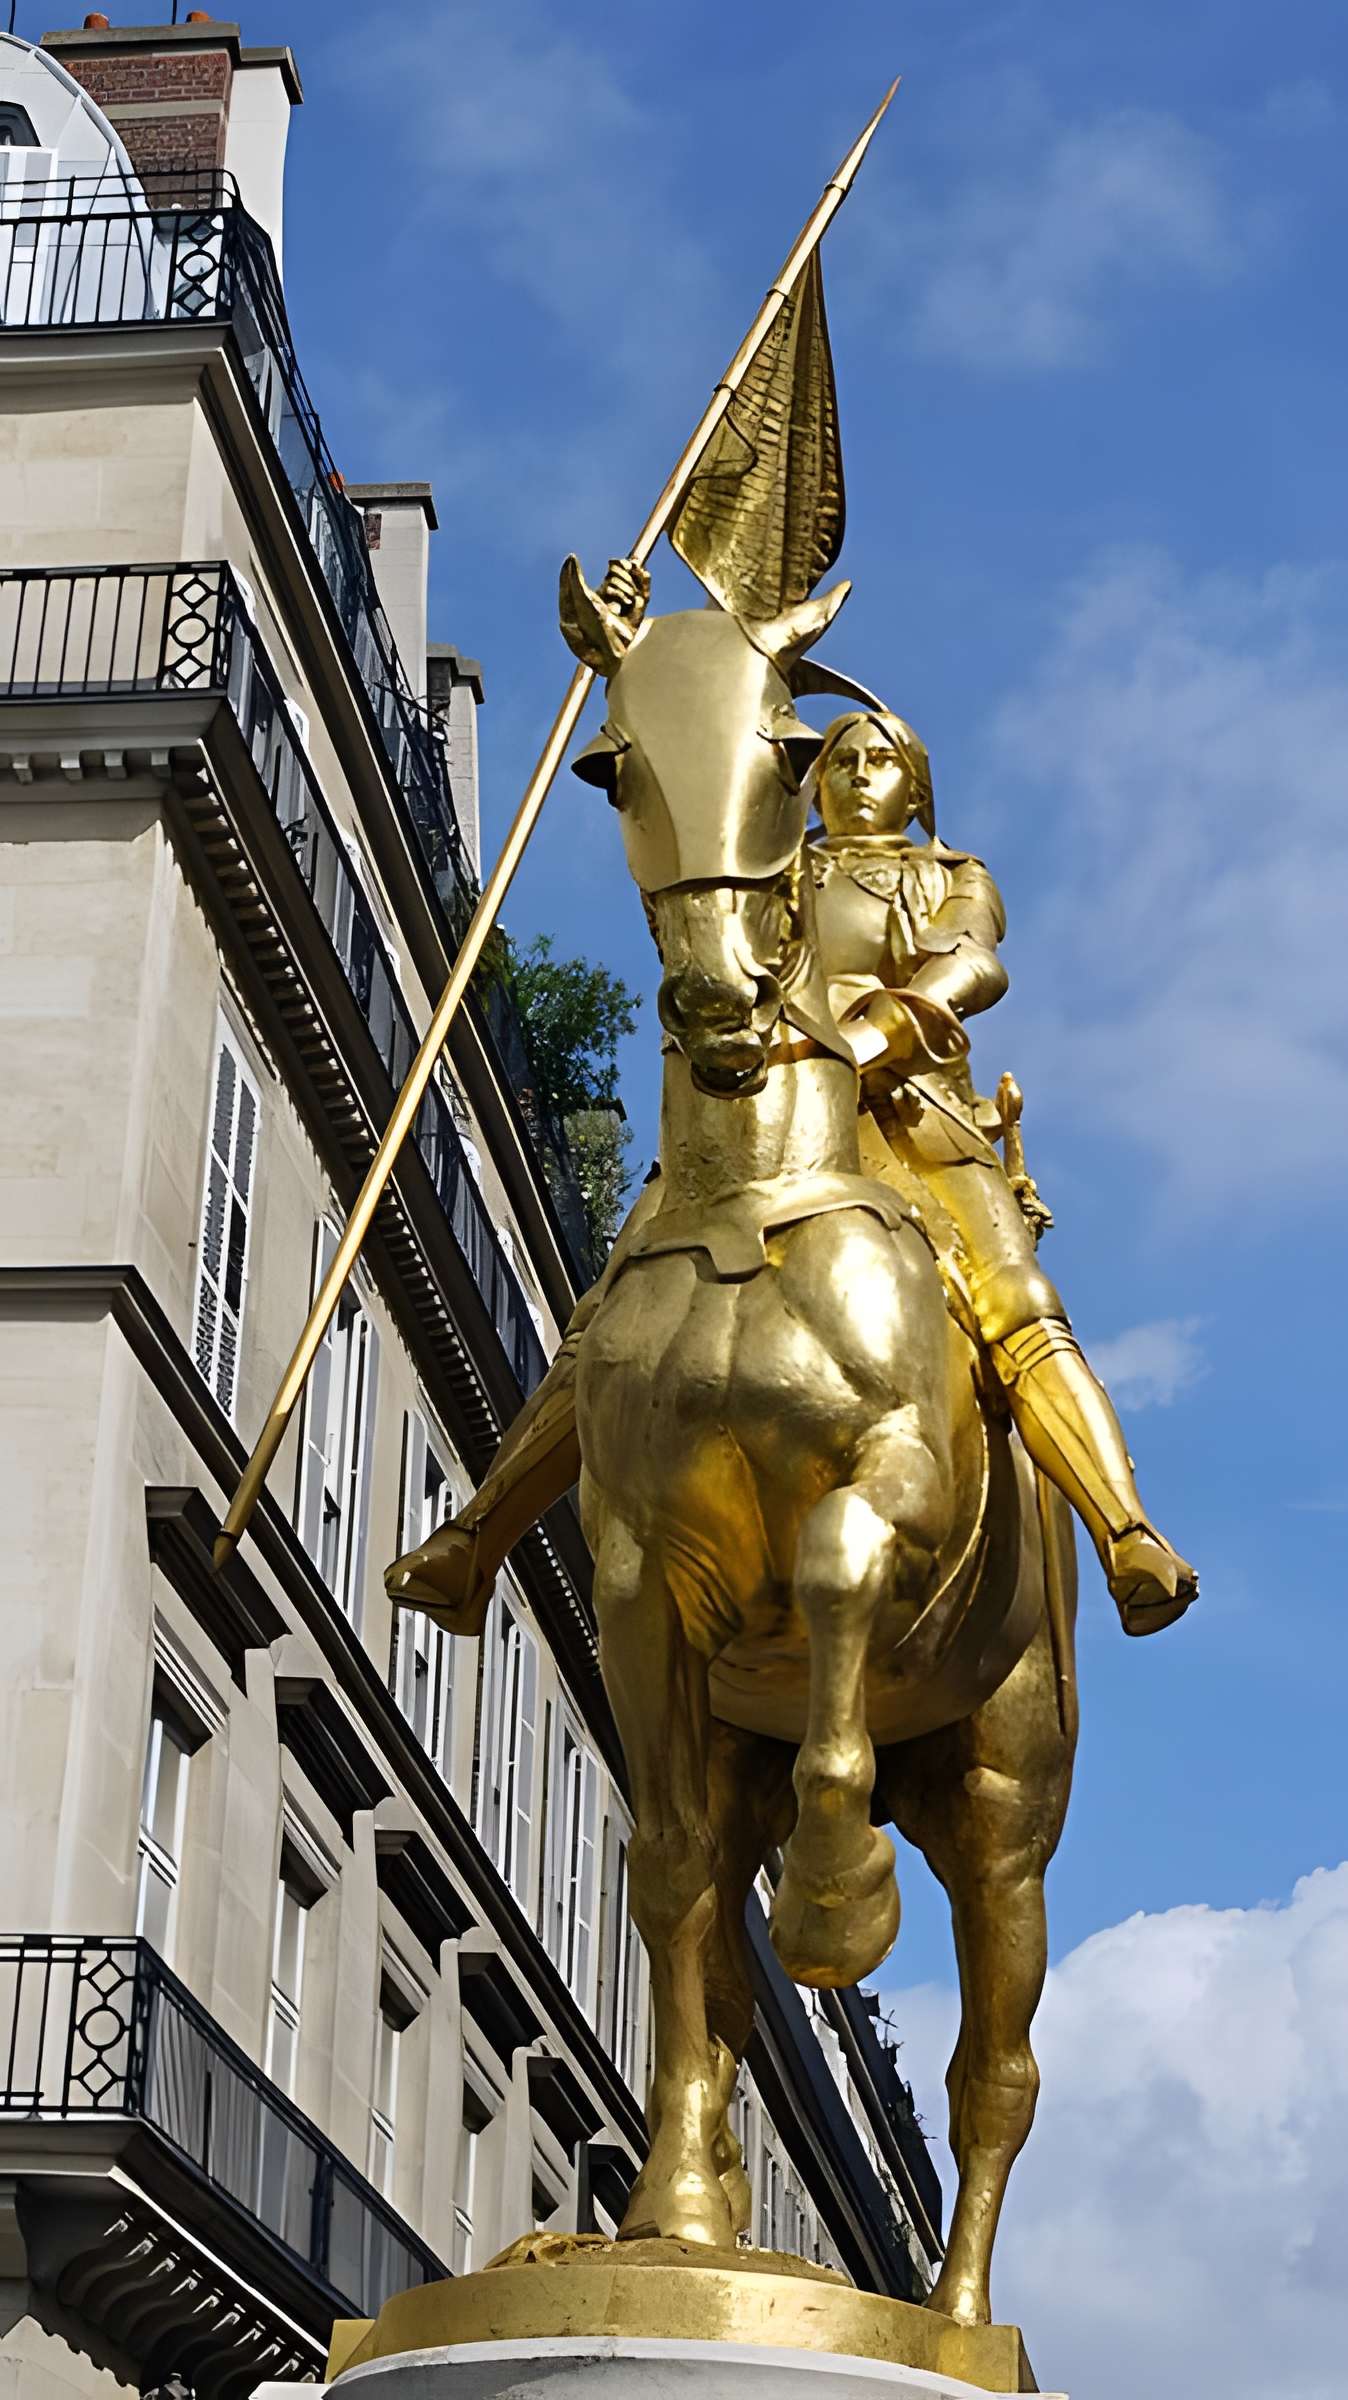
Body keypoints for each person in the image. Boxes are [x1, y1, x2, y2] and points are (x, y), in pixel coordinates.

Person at [388, 595, 1195, 1640]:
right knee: (605, 1322)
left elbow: (974, 962)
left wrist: (884, 1032)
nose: (856, 778)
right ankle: (478, 1536)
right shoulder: (776, 868)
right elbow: (696, 882)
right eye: (840, 761)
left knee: (1016, 1302)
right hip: (754, 1123)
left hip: (906, 1121)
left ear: (916, 785)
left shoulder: (945, 874)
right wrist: (637, 671)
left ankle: (1123, 1530)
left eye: (880, 762)